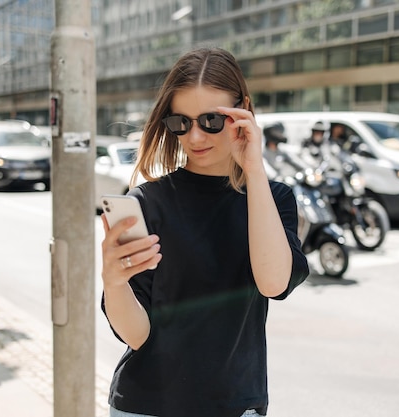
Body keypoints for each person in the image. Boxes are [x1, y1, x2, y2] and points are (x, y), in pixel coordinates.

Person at [100, 47, 309, 417]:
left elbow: (274, 284)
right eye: (181, 122)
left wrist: (254, 169)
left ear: (242, 109)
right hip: (147, 407)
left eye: (211, 120)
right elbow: (136, 336)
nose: (195, 137)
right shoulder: (150, 202)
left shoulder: (272, 198)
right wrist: (114, 282)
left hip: (235, 406)